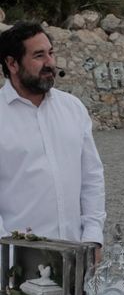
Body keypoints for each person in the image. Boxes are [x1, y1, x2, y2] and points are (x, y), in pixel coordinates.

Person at [0, 21, 105, 252]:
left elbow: (92, 178)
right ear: (12, 63)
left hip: (75, 255)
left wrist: (93, 238)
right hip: (14, 263)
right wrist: (9, 257)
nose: (50, 63)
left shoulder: (73, 108)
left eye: (51, 53)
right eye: (39, 55)